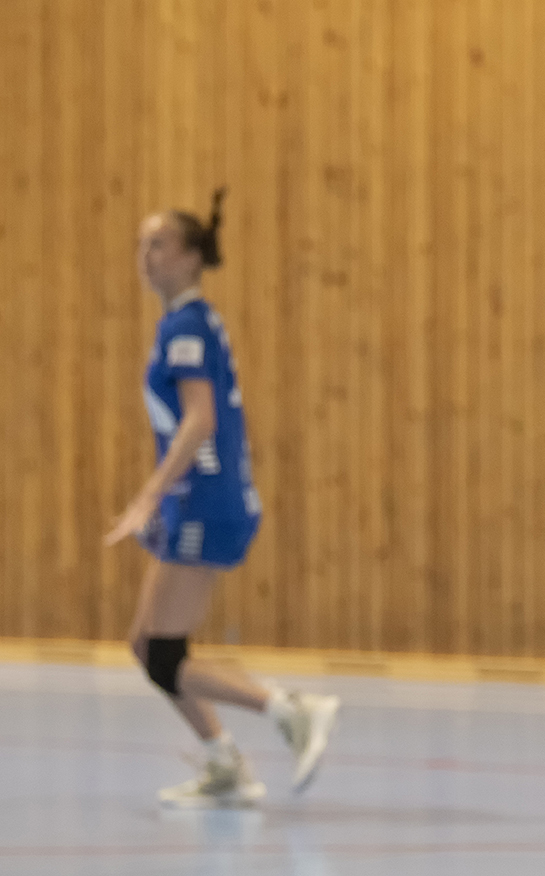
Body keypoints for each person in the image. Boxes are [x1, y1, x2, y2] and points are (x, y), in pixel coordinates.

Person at [106, 190, 340, 808]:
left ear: (191, 257)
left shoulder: (187, 326)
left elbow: (200, 420)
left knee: (164, 656)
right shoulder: (189, 322)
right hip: (198, 497)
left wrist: (149, 496)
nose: (145, 256)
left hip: (203, 501)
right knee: (145, 644)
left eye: (158, 244)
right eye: (141, 244)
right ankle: (224, 765)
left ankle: (290, 709)